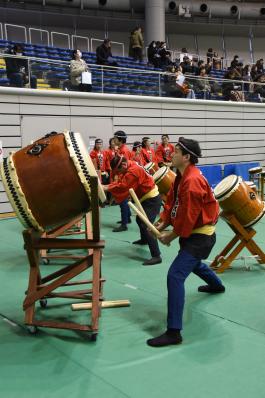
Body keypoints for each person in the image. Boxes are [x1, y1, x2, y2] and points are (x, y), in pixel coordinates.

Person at [146, 137, 225, 347]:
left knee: (175, 275)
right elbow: (172, 202)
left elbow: (188, 217)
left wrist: (170, 236)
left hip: (201, 237)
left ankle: (174, 332)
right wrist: (161, 224)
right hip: (194, 234)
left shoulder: (192, 182)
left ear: (186, 157)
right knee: (193, 263)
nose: (171, 154)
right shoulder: (181, 177)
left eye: (176, 151)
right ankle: (217, 286)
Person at [104, 155, 162, 265]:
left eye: (119, 171)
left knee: (147, 225)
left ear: (124, 165)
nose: (118, 174)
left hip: (152, 199)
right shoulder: (130, 163)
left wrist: (106, 187)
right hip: (146, 197)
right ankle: (144, 240)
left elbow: (123, 186)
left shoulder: (133, 170)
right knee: (139, 220)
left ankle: (156, 255)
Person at [112, 131, 132, 232]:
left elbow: (125, 167)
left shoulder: (124, 151)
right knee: (124, 201)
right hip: (122, 176)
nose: (113, 140)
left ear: (120, 140)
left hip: (124, 178)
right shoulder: (120, 149)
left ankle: (124, 225)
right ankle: (127, 218)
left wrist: (118, 178)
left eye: (115, 138)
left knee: (122, 200)